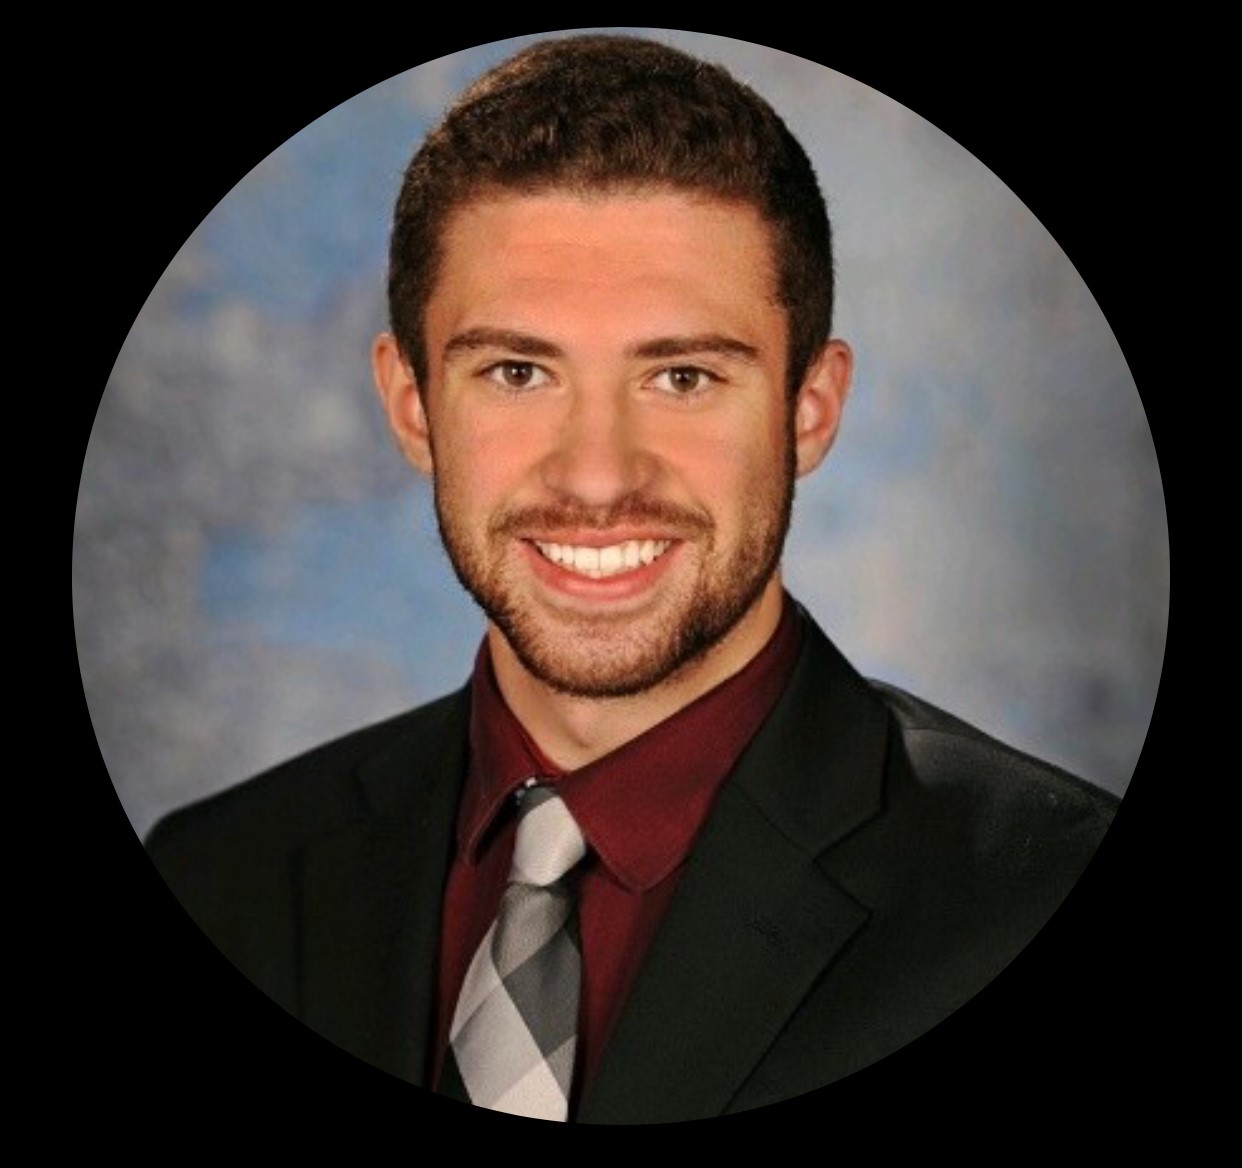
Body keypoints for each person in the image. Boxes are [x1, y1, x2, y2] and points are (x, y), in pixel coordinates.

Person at [146, 34, 1118, 1124]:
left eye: (683, 376)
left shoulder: (1035, 893)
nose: (598, 477)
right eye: (518, 372)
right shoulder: (217, 880)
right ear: (413, 406)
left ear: (810, 410)